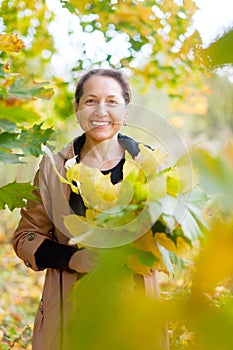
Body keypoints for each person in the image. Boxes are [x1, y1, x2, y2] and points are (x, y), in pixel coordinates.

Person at [13, 69, 169, 350]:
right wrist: (71, 259)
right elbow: (26, 237)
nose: (101, 111)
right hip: (70, 317)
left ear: (125, 110)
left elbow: (169, 238)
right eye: (90, 101)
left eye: (112, 101)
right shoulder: (53, 167)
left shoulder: (149, 164)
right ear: (76, 109)